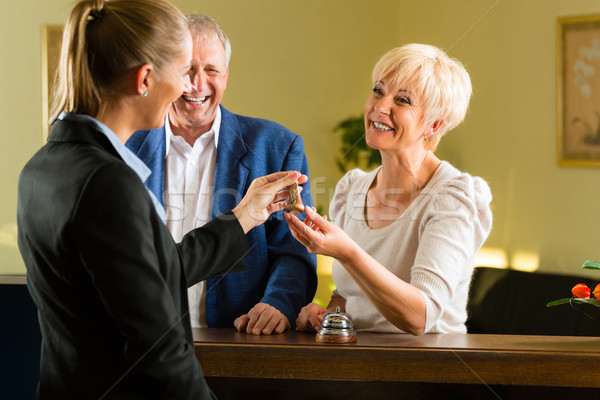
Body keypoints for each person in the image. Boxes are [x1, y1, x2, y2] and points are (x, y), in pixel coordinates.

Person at [17, 0, 305, 398]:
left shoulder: (41, 166)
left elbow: (160, 268)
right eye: (181, 70)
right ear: (145, 79)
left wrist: (241, 217)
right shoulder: (108, 182)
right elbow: (158, 348)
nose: (189, 86)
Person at [126, 14, 317, 335]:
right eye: (186, 69)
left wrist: (278, 302)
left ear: (226, 76)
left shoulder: (277, 146)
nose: (197, 84)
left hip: (241, 341)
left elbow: (294, 250)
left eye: (211, 70)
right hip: (141, 343)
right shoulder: (125, 144)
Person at [287, 44, 492, 336]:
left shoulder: (452, 197)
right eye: (378, 91)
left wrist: (347, 252)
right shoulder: (352, 190)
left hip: (427, 369)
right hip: (356, 365)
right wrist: (326, 313)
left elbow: (419, 317)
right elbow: (354, 300)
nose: (380, 107)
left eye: (403, 100)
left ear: (433, 125)